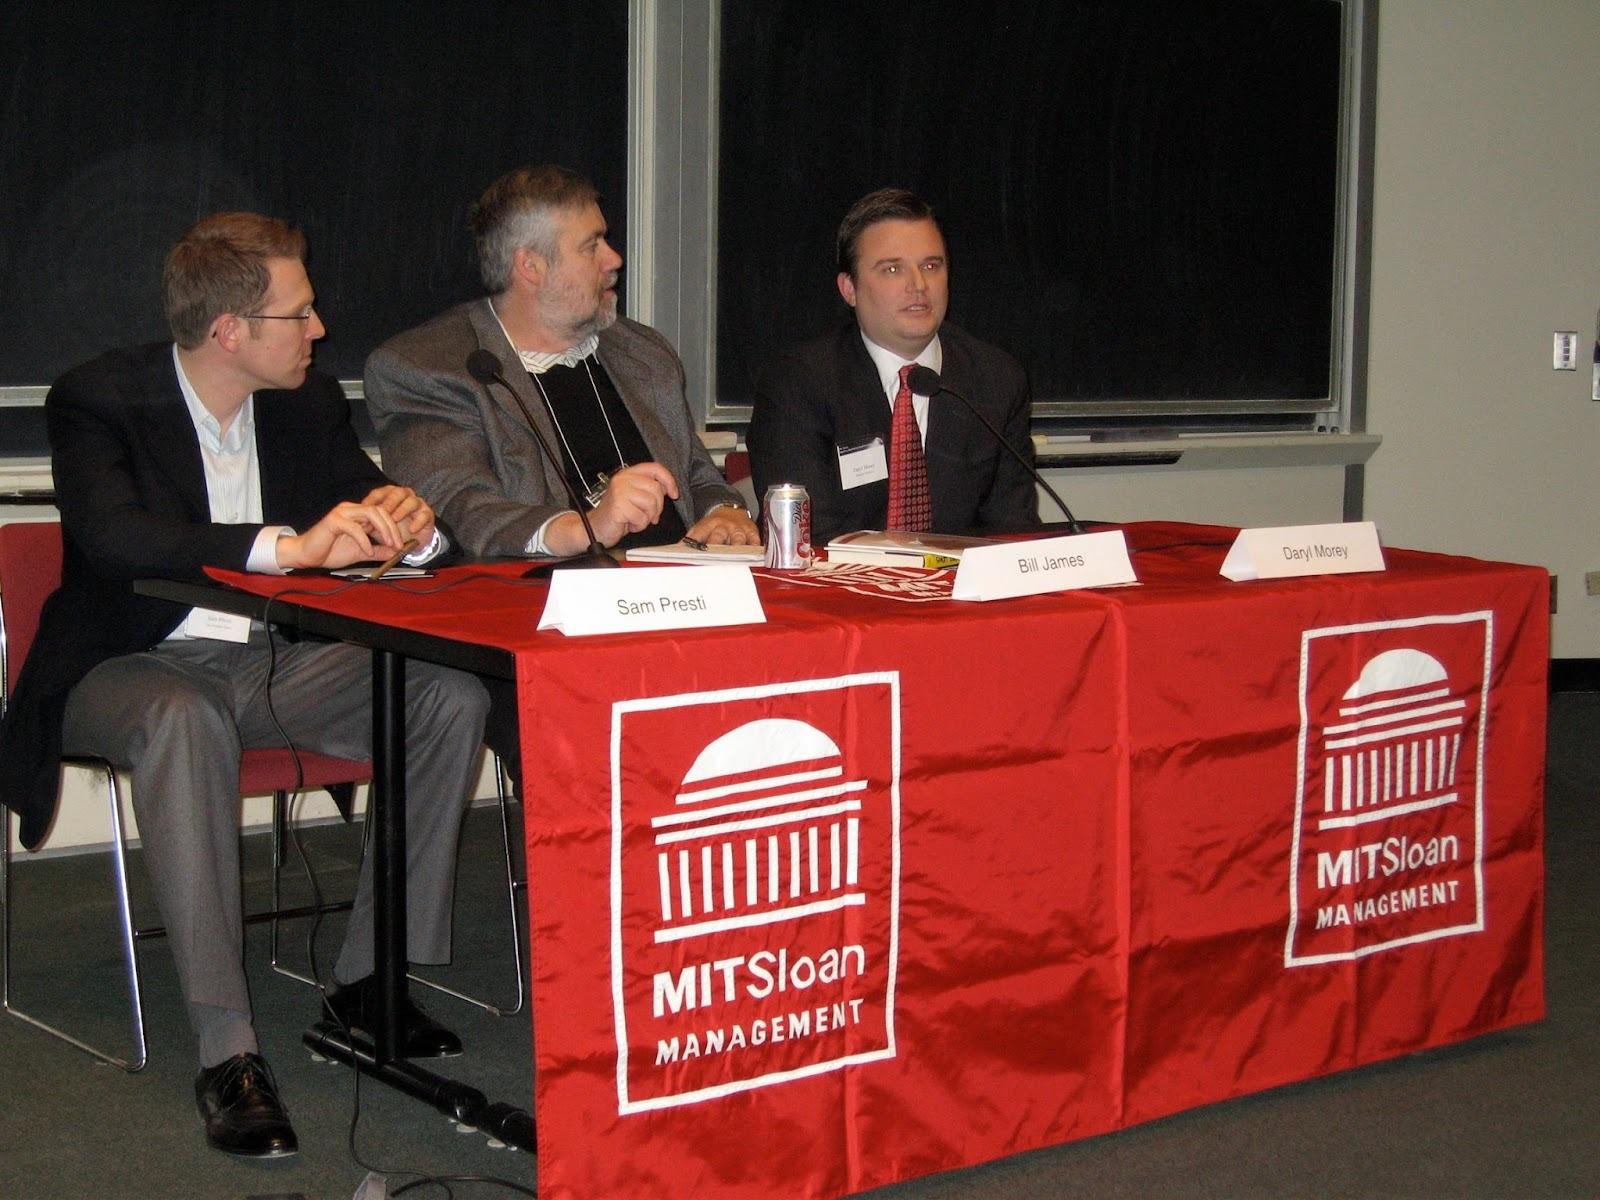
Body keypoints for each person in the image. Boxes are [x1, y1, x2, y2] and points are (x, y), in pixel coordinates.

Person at [0, 213, 489, 1159]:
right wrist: (286, 550)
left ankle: (368, 983)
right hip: (123, 667)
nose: (320, 329)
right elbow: (116, 538)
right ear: (229, 330)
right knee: (184, 718)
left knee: (443, 693)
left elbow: (375, 516)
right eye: (300, 313)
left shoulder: (306, 405)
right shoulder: (100, 399)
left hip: (267, 666)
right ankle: (228, 1051)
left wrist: (412, 527)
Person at [364, 164, 758, 776]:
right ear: (531, 266)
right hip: (543, 629)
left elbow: (698, 475)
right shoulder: (430, 365)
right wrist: (586, 526)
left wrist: (724, 512)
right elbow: (459, 509)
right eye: (591, 245)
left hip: (687, 612)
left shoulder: (644, 353)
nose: (615, 259)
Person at [746, 187, 1041, 547]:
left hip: (960, 580)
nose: (918, 285)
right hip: (842, 580)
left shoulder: (997, 379)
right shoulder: (798, 382)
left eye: (931, 266)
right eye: (892, 269)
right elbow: (805, 536)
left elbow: (1012, 531)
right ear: (849, 289)